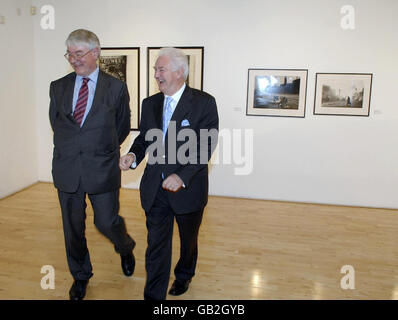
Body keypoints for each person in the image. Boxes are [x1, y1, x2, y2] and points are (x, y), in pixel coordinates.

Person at [120, 47, 219, 300]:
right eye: (155, 69)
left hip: (188, 189)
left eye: (160, 69)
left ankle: (184, 275)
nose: (155, 74)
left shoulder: (204, 102)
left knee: (189, 242)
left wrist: (182, 176)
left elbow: (206, 145)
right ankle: (154, 298)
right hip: (155, 188)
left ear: (179, 72)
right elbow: (145, 138)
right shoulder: (150, 103)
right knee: (156, 247)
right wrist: (133, 156)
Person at [49, 29, 136, 300]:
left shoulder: (116, 87)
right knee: (72, 228)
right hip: (68, 170)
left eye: (79, 54)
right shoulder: (58, 86)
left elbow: (121, 127)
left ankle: (125, 246)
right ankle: (81, 276)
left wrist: (99, 148)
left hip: (103, 168)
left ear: (96, 53)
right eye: (69, 54)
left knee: (107, 222)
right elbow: (58, 124)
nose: (73, 60)